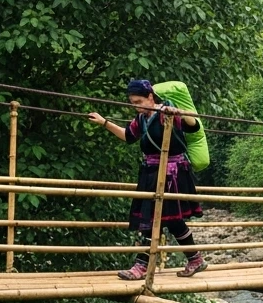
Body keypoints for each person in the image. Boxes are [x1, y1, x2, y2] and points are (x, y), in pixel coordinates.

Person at [88, 79, 207, 279]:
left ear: (150, 97)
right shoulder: (141, 119)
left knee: (153, 220)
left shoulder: (166, 112)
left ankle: (141, 266)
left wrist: (180, 113)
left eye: (139, 101)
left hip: (171, 173)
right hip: (151, 172)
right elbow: (128, 136)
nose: (136, 106)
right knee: (173, 220)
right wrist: (104, 122)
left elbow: (193, 126)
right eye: (133, 102)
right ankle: (195, 259)